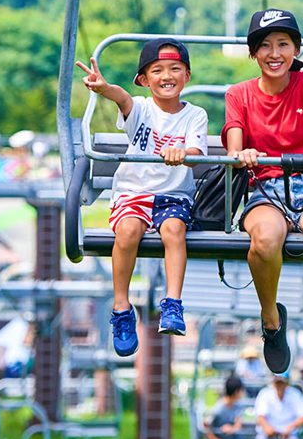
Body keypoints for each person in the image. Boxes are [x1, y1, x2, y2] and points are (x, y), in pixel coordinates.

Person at [223, 8, 303, 373]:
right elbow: (234, 144)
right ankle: (271, 320)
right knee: (265, 237)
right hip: (266, 188)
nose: (274, 53)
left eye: (283, 44)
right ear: (253, 53)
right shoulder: (239, 95)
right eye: (265, 46)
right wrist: (241, 153)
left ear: (295, 50)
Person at [76, 38, 208, 356]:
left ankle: (173, 303)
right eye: (158, 70)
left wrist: (182, 153)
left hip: (173, 194)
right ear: (144, 80)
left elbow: (195, 151)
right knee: (128, 232)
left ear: (187, 75)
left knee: (174, 230)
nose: (167, 76)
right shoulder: (142, 109)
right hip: (134, 191)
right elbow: (122, 99)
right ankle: (122, 307)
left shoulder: (195, 115)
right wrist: (104, 89)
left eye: (175, 69)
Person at [252, 371, 303, 439]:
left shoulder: (295, 394)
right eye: (277, 383)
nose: (279, 386)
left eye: (282, 383)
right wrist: (267, 428)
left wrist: (290, 427)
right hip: (266, 438)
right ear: (273, 383)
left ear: (287, 384)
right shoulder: (265, 393)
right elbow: (260, 417)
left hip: (289, 437)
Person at [200, 374, 245, 439]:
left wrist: (232, 429)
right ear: (236, 392)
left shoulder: (238, 406)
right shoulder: (218, 408)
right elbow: (206, 426)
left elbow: (238, 425)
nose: (243, 393)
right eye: (241, 390)